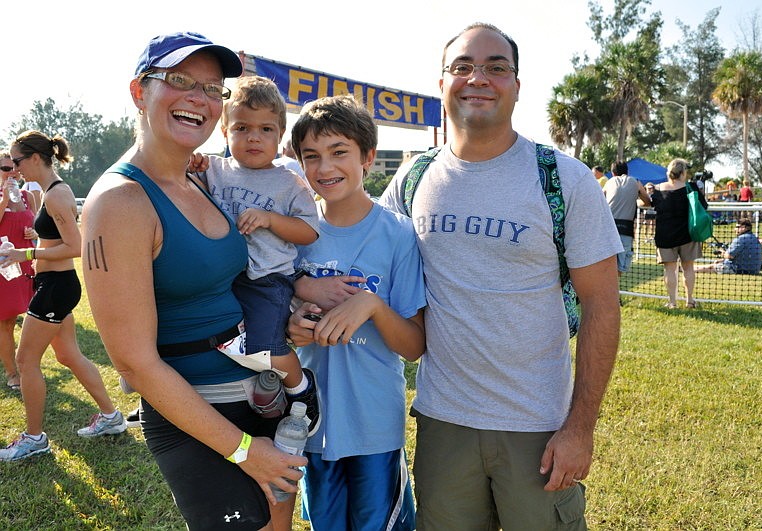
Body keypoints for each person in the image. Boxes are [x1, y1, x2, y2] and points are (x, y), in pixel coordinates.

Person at [378, 23, 622, 529]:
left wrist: (580, 428)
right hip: (443, 421)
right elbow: (357, 241)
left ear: (516, 84)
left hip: (536, 425)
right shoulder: (413, 179)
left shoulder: (563, 179)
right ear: (442, 82)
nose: (478, 78)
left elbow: (601, 305)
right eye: (462, 67)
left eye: (496, 67)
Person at [80, 32, 305, 530]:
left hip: (262, 399)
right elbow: (134, 363)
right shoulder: (120, 202)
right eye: (180, 81)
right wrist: (244, 450)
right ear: (140, 91)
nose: (198, 99)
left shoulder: (201, 179)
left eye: (211, 88)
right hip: (200, 419)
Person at [287, 94, 424, 530]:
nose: (325, 168)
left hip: (374, 427)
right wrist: (292, 326)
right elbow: (269, 312)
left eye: (338, 152)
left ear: (367, 157)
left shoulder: (398, 235)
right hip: (310, 423)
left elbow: (415, 346)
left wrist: (371, 305)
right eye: (312, 156)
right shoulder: (294, 231)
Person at [196, 75, 322, 434]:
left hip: (268, 279)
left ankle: (301, 389)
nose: (254, 137)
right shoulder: (214, 170)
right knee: (228, 344)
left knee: (265, 346)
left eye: (266, 128)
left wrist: (270, 219)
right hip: (225, 277)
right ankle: (265, 387)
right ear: (224, 131)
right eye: (242, 127)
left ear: (280, 134)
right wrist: (191, 163)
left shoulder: (289, 182)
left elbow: (308, 231)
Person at [0, 131, 126, 463]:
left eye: (17, 161)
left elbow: (76, 247)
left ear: (36, 159)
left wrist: (24, 254)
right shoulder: (50, 193)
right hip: (53, 285)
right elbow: (56, 241)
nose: (14, 169)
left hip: (56, 288)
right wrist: (29, 245)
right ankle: (111, 417)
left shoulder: (56, 195)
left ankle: (34, 438)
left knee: (26, 362)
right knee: (69, 356)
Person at [0, 153, 36, 391]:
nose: (12, 172)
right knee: (6, 322)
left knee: (35, 317)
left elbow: (37, 225)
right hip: (4, 267)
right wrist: (4, 196)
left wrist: (34, 234)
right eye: (5, 168)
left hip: (28, 264)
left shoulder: (29, 196)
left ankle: (30, 366)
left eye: (15, 167)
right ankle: (12, 372)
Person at [650, 158, 707, 309]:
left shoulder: (658, 189)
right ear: (682, 173)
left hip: (665, 236)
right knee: (688, 268)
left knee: (669, 269)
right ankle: (689, 300)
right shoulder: (691, 188)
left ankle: (672, 302)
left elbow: (649, 203)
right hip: (687, 235)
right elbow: (704, 205)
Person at [604, 160, 651, 279]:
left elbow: (600, 202)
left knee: (606, 265)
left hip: (608, 230)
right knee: (619, 268)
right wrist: (635, 202)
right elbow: (647, 201)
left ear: (613, 173)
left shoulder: (609, 183)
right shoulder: (635, 182)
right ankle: (615, 296)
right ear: (627, 171)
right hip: (626, 230)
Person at [696, 219, 762, 274]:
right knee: (713, 265)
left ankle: (690, 269)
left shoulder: (741, 239)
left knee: (711, 267)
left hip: (740, 270)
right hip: (754, 270)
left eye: (738, 227)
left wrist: (723, 253)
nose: (735, 229)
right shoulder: (754, 238)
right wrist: (723, 260)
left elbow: (729, 256)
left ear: (745, 228)